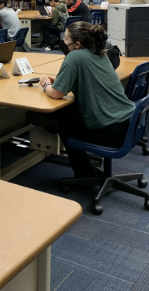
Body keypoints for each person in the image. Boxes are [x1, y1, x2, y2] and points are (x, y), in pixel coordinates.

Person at [27, 21, 135, 179]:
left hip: (110, 131)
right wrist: (61, 80)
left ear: (77, 44)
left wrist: (45, 85)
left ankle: (84, 174)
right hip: (128, 123)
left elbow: (56, 93)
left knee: (61, 122)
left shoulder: (75, 56)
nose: (63, 41)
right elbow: (88, 78)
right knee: (65, 113)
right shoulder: (100, 53)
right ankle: (85, 171)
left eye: (66, 39)